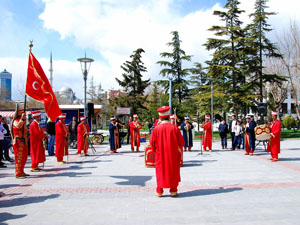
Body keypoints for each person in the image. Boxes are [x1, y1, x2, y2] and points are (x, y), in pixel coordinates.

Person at [150, 106, 185, 197]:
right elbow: (181, 142)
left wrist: (155, 151)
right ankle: (173, 190)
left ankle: (159, 191)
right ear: (169, 116)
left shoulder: (156, 129)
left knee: (160, 172)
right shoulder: (174, 128)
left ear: (160, 117)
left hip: (160, 155)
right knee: (173, 171)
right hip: (173, 155)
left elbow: (151, 143)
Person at [11, 104, 29, 178]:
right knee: (19, 157)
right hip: (18, 141)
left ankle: (21, 171)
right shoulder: (15, 121)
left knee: (24, 157)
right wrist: (22, 119)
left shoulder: (22, 121)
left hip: (23, 140)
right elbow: (18, 126)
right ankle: (18, 173)